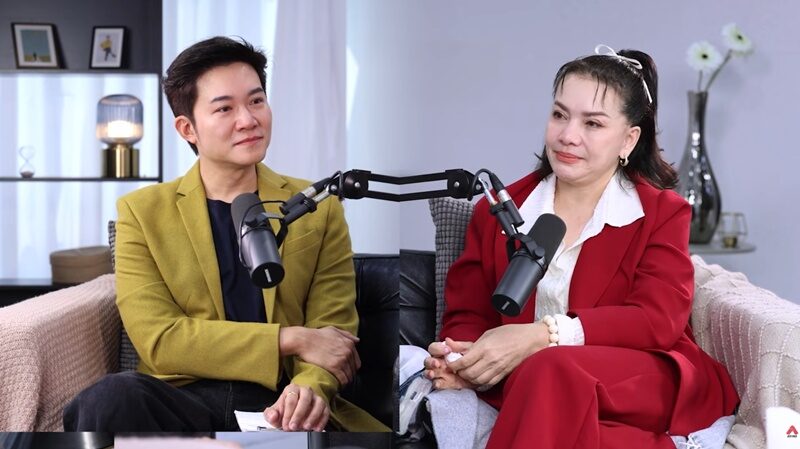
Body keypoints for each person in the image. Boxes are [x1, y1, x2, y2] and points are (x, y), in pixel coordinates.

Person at [64, 36, 386, 432]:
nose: (248, 120)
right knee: (109, 397)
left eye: (256, 101)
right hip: (185, 404)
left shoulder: (316, 205)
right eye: (224, 108)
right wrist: (290, 338)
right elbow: (161, 340)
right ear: (188, 128)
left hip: (282, 403)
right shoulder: (142, 213)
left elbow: (332, 331)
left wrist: (310, 388)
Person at [424, 45, 739, 448]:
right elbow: (468, 313)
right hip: (535, 387)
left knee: (547, 367)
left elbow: (656, 320)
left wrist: (544, 335)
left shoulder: (661, 212)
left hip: (640, 377)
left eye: (592, 123)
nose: (567, 136)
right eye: (559, 115)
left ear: (628, 140)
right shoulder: (498, 211)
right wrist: (462, 361)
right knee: (559, 396)